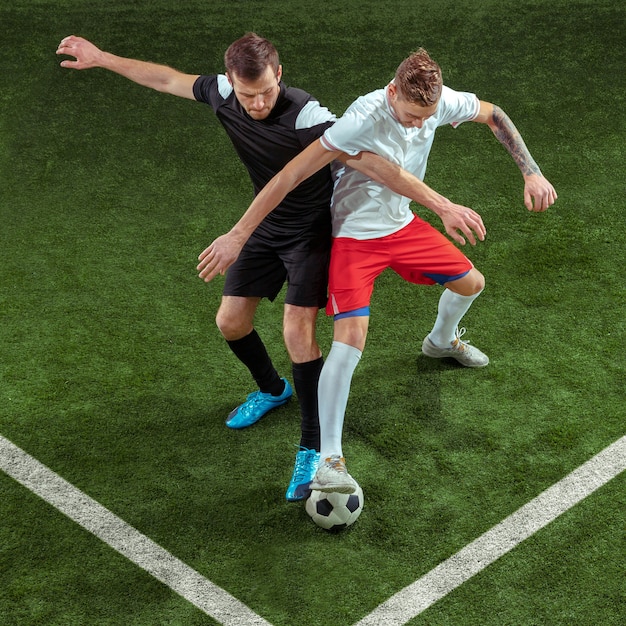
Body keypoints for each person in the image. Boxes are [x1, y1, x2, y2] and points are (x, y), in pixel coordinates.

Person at [55, 34, 461, 502]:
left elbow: (367, 161)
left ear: (279, 75)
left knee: (297, 331)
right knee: (229, 322)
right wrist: (102, 58)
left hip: (313, 232)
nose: (259, 101)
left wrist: (437, 203)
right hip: (267, 226)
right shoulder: (222, 94)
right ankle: (272, 389)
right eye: (249, 94)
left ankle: (312, 447)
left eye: (267, 90)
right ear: (230, 82)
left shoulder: (308, 115)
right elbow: (166, 78)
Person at [197, 47, 557, 494]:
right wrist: (238, 234)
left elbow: (493, 113)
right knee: (350, 343)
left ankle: (440, 342)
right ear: (391, 92)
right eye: (409, 116)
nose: (417, 125)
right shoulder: (358, 121)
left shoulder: (437, 102)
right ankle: (330, 458)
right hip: (352, 236)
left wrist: (532, 173)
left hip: (400, 225)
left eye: (426, 117)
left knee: (472, 283)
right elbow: (288, 176)